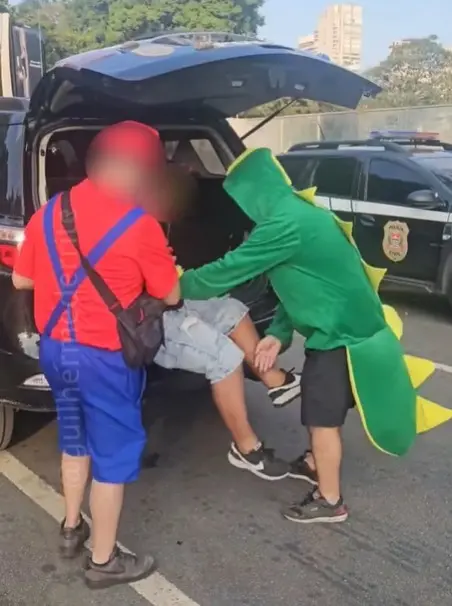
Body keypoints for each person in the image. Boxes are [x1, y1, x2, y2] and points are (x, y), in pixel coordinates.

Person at [180, 147, 452, 525]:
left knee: (322, 421)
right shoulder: (300, 214)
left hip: (341, 340)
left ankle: (330, 500)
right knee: (326, 411)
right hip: (355, 333)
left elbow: (226, 271)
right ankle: (313, 462)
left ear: (253, 194)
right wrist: (277, 335)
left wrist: (174, 284)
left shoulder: (282, 225)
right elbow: (303, 287)